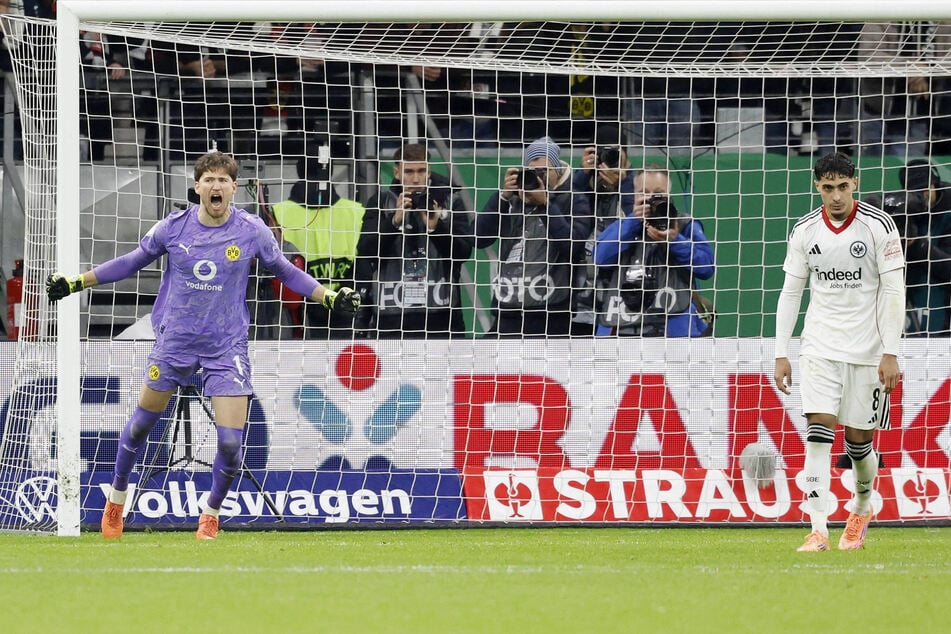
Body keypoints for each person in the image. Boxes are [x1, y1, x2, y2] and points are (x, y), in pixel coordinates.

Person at [45, 150, 360, 540]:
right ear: (197, 187)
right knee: (142, 425)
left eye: (222, 180)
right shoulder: (174, 227)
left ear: (233, 188)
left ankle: (210, 514)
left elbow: (284, 270)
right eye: (208, 179)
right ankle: (117, 498)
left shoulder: (251, 230)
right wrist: (78, 282)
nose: (215, 186)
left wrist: (328, 296)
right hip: (175, 341)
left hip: (225, 347)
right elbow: (131, 261)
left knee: (230, 444)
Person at [773, 152, 905, 552]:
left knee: (859, 443)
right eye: (827, 188)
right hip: (820, 346)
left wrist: (891, 352)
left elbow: (895, 291)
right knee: (818, 433)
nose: (835, 196)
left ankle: (861, 508)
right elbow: (791, 292)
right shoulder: (804, 230)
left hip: (868, 351)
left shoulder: (879, 226)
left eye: (842, 187)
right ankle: (817, 530)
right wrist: (782, 352)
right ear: (817, 187)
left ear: (855, 184)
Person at [474, 136, 592, 337]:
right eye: (532, 171)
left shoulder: (574, 200)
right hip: (508, 310)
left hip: (552, 313)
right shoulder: (512, 201)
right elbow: (479, 238)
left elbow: (572, 247)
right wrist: (502, 197)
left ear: (557, 171)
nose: (538, 177)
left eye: (544, 171)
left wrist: (545, 205)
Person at [356, 142, 473, 338]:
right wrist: (394, 221)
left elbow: (463, 253)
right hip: (391, 319)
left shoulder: (450, 203)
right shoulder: (381, 202)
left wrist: (435, 228)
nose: (416, 179)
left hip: (441, 319)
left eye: (421, 171)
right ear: (396, 173)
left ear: (429, 173)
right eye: (409, 171)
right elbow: (367, 251)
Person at [593, 165, 714, 337]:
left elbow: (707, 267)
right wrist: (633, 222)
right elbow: (599, 257)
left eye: (657, 193)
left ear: (668, 195)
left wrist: (674, 241)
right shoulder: (623, 224)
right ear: (634, 195)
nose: (650, 198)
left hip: (671, 325)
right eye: (643, 192)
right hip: (621, 325)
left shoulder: (684, 224)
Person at [270, 144, 368, 339]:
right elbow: (366, 263)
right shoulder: (356, 211)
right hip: (336, 309)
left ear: (299, 170)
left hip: (299, 314)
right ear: (330, 170)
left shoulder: (279, 212)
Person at [569, 125, 635, 336]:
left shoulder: (637, 187)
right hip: (580, 303)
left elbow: (636, 227)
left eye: (615, 154)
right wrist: (582, 176)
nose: (608, 160)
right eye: (602, 153)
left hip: (622, 304)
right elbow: (562, 222)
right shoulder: (582, 186)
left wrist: (623, 183)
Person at [897, 159, 951, 334]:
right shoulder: (907, 209)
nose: (922, 195)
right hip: (915, 292)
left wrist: (916, 244)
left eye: (925, 188)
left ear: (934, 184)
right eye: (915, 191)